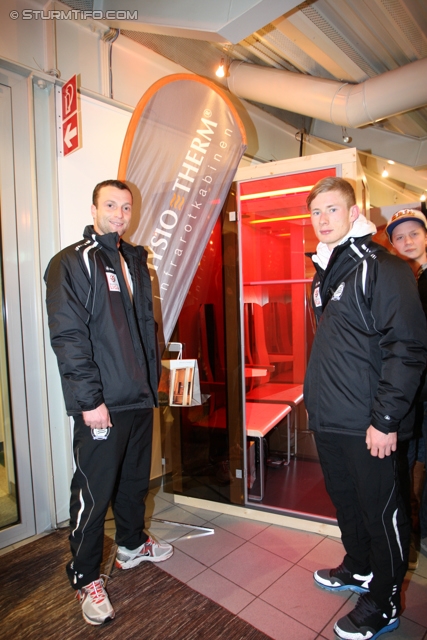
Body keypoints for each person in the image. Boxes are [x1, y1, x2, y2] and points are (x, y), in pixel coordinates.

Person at [44, 179, 173, 626]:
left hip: (138, 398)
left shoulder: (135, 261)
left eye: (126, 206)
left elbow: (143, 330)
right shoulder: (71, 263)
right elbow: (69, 337)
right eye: (111, 205)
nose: (119, 213)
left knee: (135, 481)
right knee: (94, 494)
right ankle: (83, 575)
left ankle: (132, 546)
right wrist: (89, 400)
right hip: (102, 403)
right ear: (95, 207)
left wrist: (154, 382)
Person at [303, 178, 427, 640]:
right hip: (333, 417)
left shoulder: (385, 268)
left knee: (382, 512)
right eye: (316, 212)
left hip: (370, 422)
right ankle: (358, 568)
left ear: (354, 213)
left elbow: (407, 349)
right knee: (348, 505)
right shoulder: (328, 272)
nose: (323, 219)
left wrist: (386, 419)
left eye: (332, 209)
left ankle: (386, 601)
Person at [386, 209, 427, 564]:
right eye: (400, 237)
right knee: (405, 463)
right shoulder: (398, 280)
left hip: (422, 391)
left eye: (414, 234)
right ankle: (410, 534)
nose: (408, 241)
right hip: (407, 394)